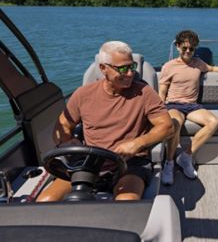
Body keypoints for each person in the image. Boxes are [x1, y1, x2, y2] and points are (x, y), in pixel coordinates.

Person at [36, 41, 174, 202]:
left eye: (132, 66)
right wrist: (68, 143)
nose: (130, 73)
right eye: (122, 68)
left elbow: (167, 127)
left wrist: (137, 143)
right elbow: (63, 126)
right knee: (45, 201)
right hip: (88, 163)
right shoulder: (82, 95)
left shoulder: (144, 93)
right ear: (103, 69)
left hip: (130, 165)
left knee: (126, 203)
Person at [159, 30, 218, 185]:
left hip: (192, 105)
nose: (188, 51)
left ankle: (186, 157)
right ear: (178, 47)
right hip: (174, 104)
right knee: (175, 124)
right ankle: (169, 163)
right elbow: (162, 92)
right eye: (184, 48)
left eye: (191, 49)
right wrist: (160, 111)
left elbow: (213, 69)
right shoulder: (169, 66)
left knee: (213, 122)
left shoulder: (198, 63)